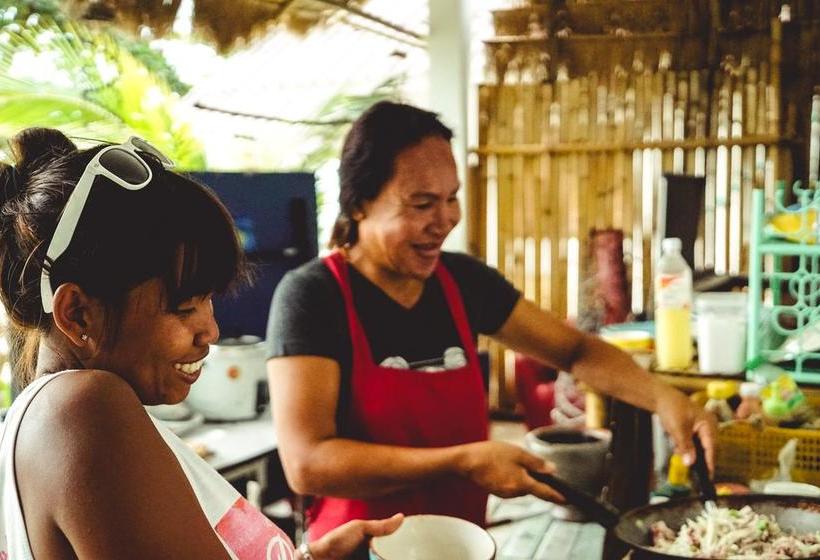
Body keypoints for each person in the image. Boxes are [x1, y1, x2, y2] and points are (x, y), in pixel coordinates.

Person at [266, 101, 717, 541]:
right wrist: (461, 461)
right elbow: (308, 463)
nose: (444, 220)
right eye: (422, 204)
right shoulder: (314, 296)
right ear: (359, 204)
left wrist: (666, 399)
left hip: (462, 550)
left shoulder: (462, 283)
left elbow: (576, 351)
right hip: (358, 554)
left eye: (451, 198)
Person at [0, 128, 401, 559]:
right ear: (78, 313)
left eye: (207, 300)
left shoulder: (70, 414)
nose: (210, 330)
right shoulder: (84, 412)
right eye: (183, 307)